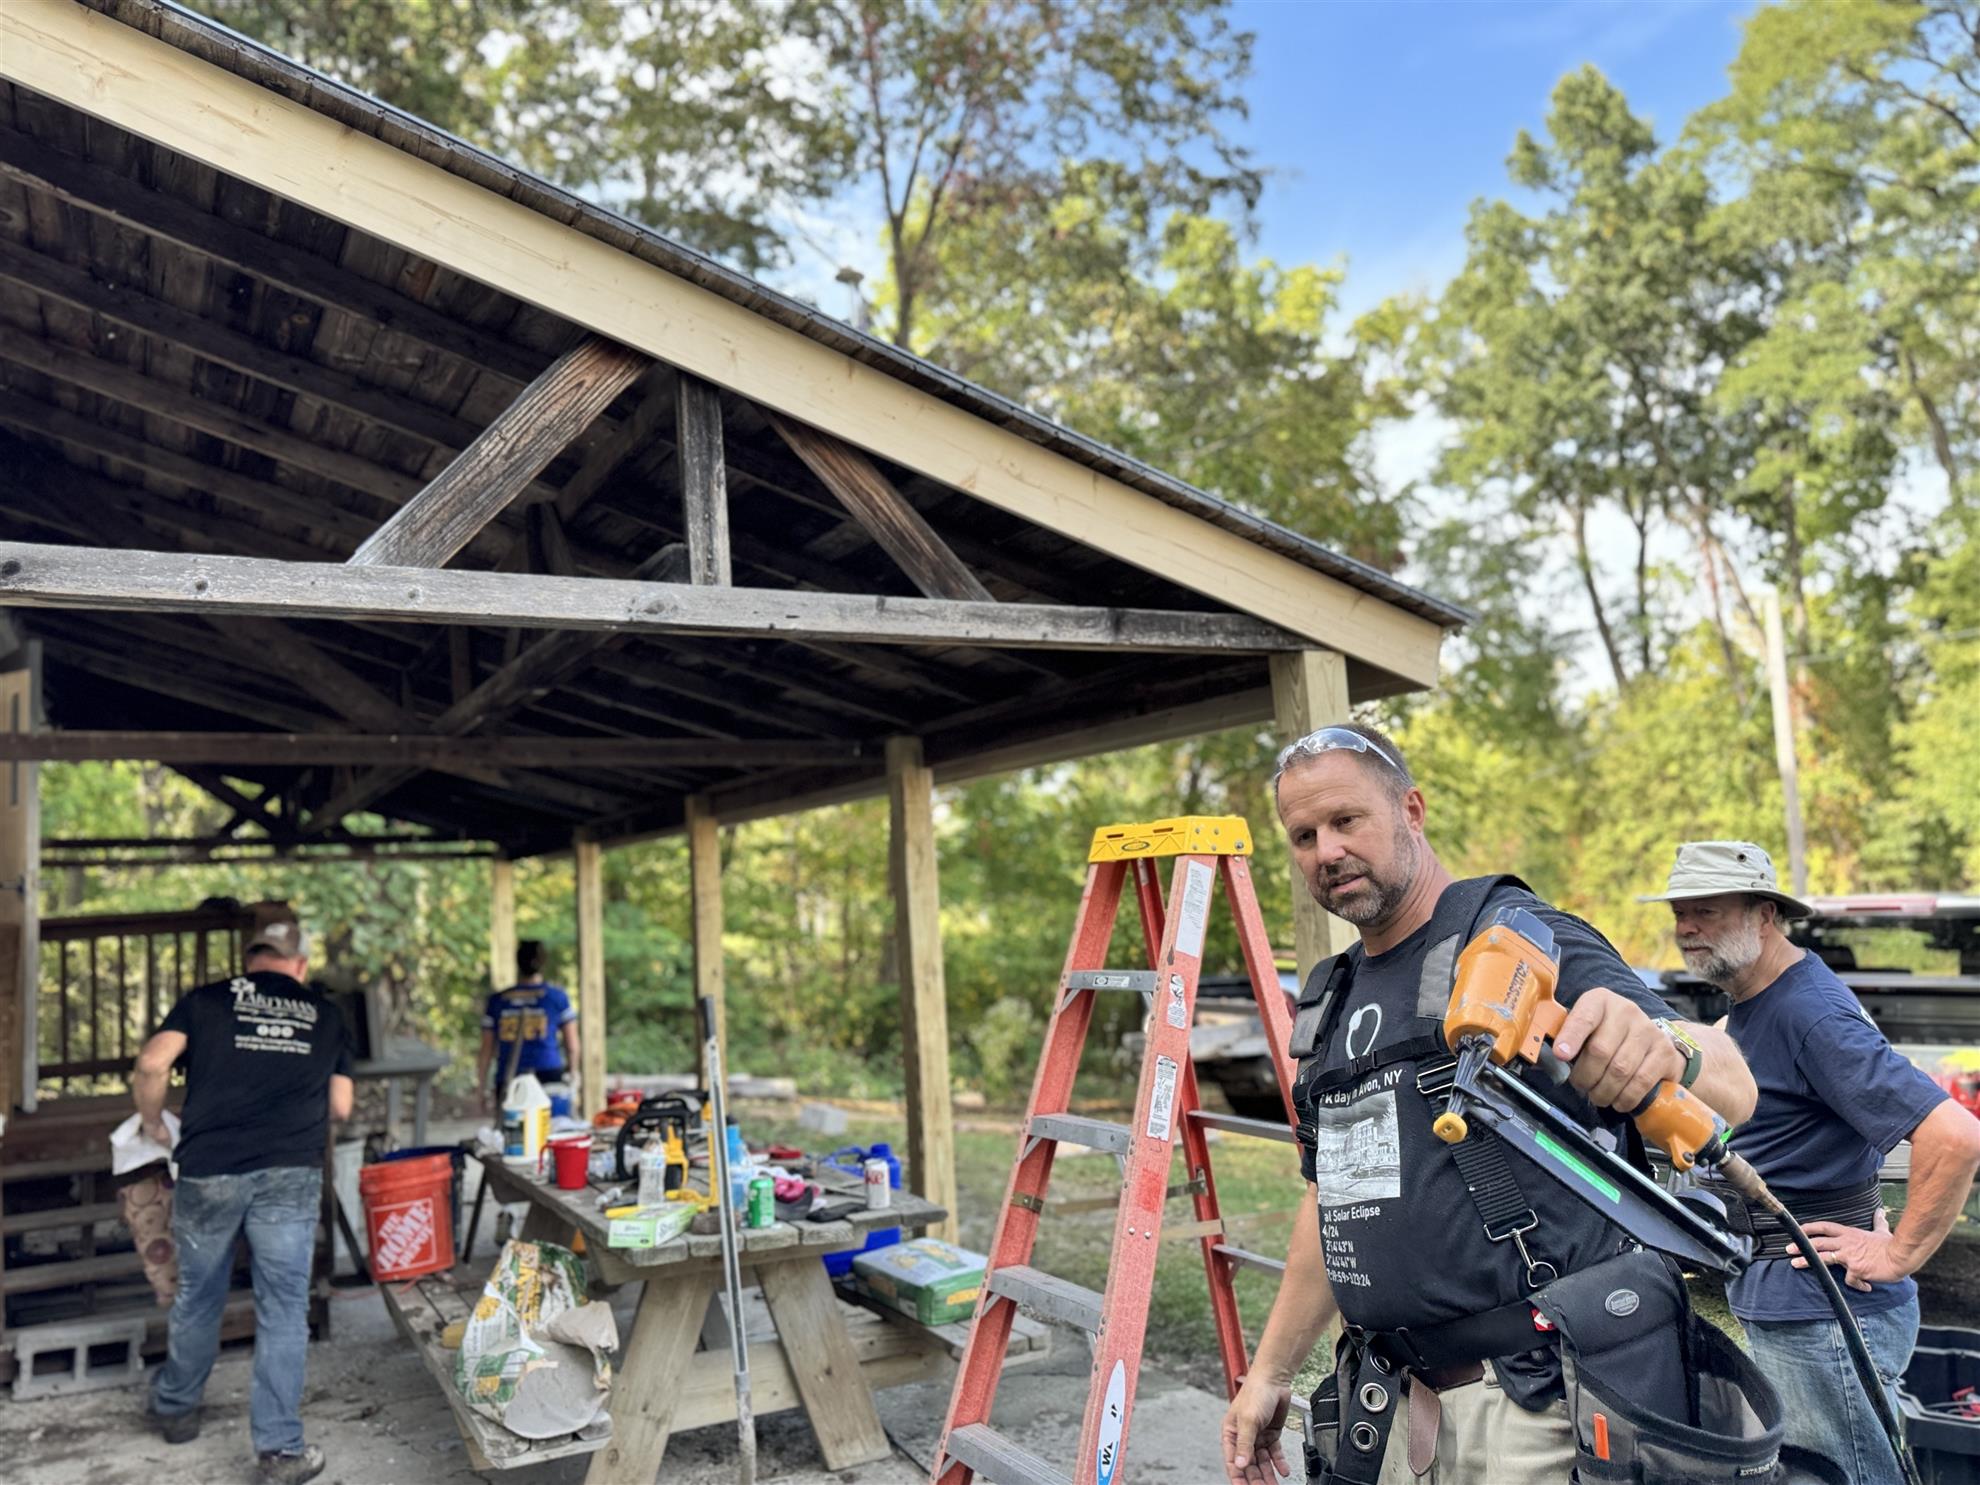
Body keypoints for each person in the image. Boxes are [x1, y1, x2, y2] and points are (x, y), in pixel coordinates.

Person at [1223, 724, 1761, 1485]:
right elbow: (1333, 1201)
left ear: (1411, 810)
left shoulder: (1517, 937)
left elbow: (1734, 1084)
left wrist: (1667, 1047)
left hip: (1529, 1410)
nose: (1327, 851)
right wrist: (1270, 1371)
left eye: (1346, 820)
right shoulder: (1330, 999)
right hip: (1389, 1406)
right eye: (1304, 835)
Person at [1645, 841, 1980, 1484]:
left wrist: (1897, 1254)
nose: (1687, 928)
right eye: (1681, 912)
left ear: (1765, 914)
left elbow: (1955, 1135)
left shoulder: (1809, 1013)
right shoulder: (1763, 997)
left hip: (1822, 1314)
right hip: (1795, 1301)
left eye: (1708, 911)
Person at [131, 915, 351, 1485]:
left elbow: (153, 1062)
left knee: (199, 1295)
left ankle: (176, 1408)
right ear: (300, 964)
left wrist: (152, 1123)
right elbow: (342, 1106)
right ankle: (279, 1451)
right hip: (289, 1172)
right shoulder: (326, 1015)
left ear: (249, 962)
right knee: (283, 1308)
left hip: (211, 1168)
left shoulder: (206, 1001)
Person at [475, 939, 579, 1113]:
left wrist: (481, 1086)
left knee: (512, 1126)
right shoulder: (556, 997)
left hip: (509, 1076)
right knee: (550, 1125)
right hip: (548, 1072)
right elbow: (572, 1045)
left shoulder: (498, 1001)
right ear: (543, 964)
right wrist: (573, 1073)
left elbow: (486, 1049)